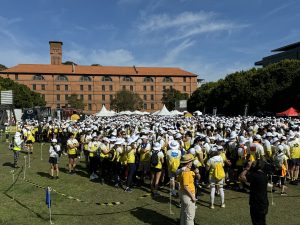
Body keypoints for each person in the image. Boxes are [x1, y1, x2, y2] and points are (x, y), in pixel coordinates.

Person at [239, 159, 269, 225]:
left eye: (253, 164)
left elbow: (241, 176)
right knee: (262, 222)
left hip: (256, 204)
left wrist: (247, 168)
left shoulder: (255, 175)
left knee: (257, 222)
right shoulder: (264, 175)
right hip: (264, 203)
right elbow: (252, 185)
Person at [178, 154, 199, 225]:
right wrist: (192, 197)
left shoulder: (184, 170)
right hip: (187, 194)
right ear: (188, 163)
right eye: (191, 161)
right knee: (190, 216)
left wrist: (197, 173)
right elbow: (186, 186)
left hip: (183, 193)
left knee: (184, 213)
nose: (192, 162)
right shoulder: (186, 172)